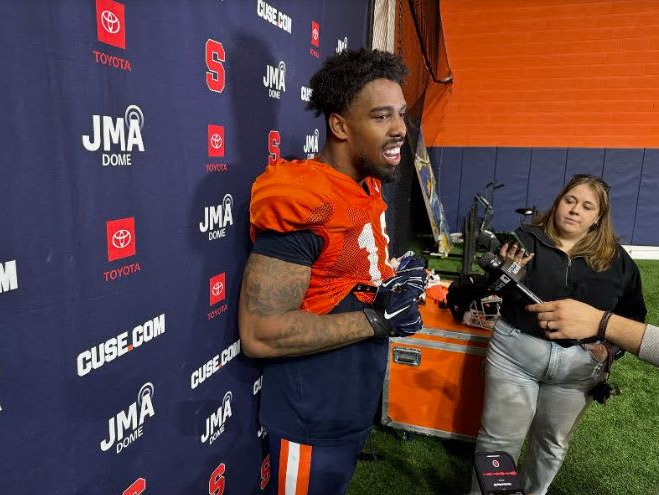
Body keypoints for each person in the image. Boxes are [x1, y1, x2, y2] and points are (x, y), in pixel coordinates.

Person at [238, 49, 427, 495]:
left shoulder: (367, 180)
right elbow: (261, 332)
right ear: (340, 125)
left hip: (350, 403)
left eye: (400, 114)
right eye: (382, 116)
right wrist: (376, 320)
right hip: (311, 415)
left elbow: (343, 274)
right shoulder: (305, 197)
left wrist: (393, 276)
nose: (400, 127)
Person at [469, 174, 646, 495]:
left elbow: (635, 315)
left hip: (577, 370)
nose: (575, 210)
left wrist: (611, 350)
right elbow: (488, 289)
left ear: (597, 219)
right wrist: (504, 274)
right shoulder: (523, 239)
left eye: (587, 206)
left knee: (551, 444)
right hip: (514, 357)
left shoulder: (618, 261)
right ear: (558, 203)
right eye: (570, 200)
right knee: (499, 441)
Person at [527, 299, 659, 367]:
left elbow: (634, 312)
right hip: (523, 352)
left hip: (580, 368)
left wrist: (600, 323)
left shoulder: (621, 262)